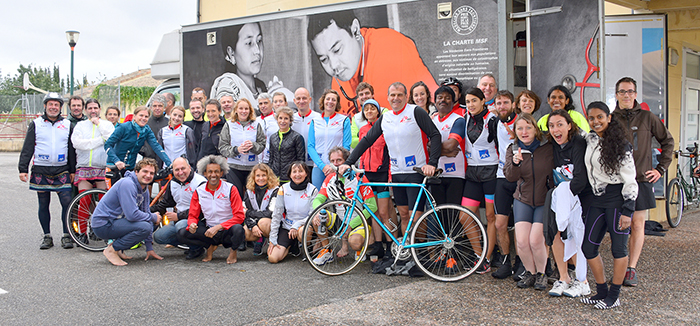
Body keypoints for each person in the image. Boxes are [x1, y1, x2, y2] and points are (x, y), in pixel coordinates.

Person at [340, 82, 441, 236]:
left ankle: (421, 254)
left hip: (416, 171)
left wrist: (432, 163)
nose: (396, 98)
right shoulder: (385, 117)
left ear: (406, 97)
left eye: (400, 95)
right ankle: (406, 252)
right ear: (387, 98)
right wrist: (348, 162)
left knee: (417, 217)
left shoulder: (416, 112)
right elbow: (367, 141)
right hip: (396, 173)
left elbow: (435, 135)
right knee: (404, 215)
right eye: (392, 95)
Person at [308, 12, 438, 115]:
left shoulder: (391, 46)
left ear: (355, 30)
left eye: (337, 50)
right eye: (324, 59)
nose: (334, 65)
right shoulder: (341, 74)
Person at [611, 77, 674, 287]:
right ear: (617, 94)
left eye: (630, 91)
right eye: (622, 92)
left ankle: (631, 269)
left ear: (635, 94)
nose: (626, 95)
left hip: (641, 180)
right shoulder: (610, 119)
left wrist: (660, 169)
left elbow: (668, 141)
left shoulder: (648, 117)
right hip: (616, 182)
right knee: (619, 225)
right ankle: (619, 265)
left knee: (638, 224)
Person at [580, 101, 637, 309]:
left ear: (609, 117)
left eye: (600, 117)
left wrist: (627, 210)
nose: (596, 121)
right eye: (591, 118)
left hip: (617, 200)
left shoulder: (622, 145)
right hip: (597, 199)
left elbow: (631, 179)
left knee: (619, 250)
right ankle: (601, 291)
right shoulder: (591, 139)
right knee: (588, 247)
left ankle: (614, 296)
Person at [443, 87, 499, 273]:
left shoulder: (493, 120)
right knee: (465, 216)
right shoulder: (463, 119)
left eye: (475, 100)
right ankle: (479, 255)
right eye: (468, 101)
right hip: (473, 174)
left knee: (491, 217)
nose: (471, 105)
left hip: (491, 173)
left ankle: (487, 259)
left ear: (483, 101)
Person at [18, 92, 77, 249]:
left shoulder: (67, 125)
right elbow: (28, 147)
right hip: (41, 170)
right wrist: (22, 168)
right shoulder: (36, 124)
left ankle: (66, 235)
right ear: (45, 106)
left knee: (66, 202)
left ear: (60, 107)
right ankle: (47, 236)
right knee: (43, 204)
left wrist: (72, 170)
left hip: (62, 169)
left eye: (56, 105)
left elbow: (71, 149)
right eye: (50, 104)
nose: (53, 107)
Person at [546, 109, 594, 297]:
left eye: (560, 124)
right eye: (551, 126)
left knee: (577, 236)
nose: (555, 129)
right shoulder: (552, 144)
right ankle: (564, 277)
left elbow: (581, 179)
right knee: (557, 232)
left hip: (581, 195)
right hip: (562, 194)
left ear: (569, 125)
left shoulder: (579, 143)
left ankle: (583, 281)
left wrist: (567, 195)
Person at [504, 113, 554, 290]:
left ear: (535, 129)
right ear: (515, 131)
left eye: (528, 127)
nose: (524, 132)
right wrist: (516, 163)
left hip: (543, 200)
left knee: (535, 240)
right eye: (520, 128)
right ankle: (530, 273)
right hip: (522, 199)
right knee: (522, 242)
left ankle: (542, 273)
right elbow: (510, 176)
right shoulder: (513, 148)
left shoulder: (548, 147)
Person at [91, 158, 164, 266]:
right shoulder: (127, 184)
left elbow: (145, 213)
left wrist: (149, 248)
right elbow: (132, 215)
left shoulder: (144, 189)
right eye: (145, 171)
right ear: (136, 172)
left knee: (148, 223)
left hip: (116, 221)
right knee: (144, 226)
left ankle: (119, 250)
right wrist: (153, 217)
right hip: (103, 224)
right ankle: (112, 250)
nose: (148, 175)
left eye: (151, 173)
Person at [310, 147, 376, 265]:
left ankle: (359, 249)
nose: (336, 164)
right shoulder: (330, 178)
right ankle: (326, 251)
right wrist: (317, 212)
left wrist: (351, 225)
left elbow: (372, 207)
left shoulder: (358, 177)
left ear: (347, 161)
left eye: (339, 160)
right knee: (319, 217)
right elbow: (319, 199)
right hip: (340, 221)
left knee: (355, 242)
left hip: (358, 223)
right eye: (332, 161)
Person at [178, 155, 246, 264]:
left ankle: (233, 251)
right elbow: (193, 215)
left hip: (227, 231)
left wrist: (219, 227)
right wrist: (192, 224)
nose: (213, 175)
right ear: (204, 173)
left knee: (239, 229)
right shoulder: (199, 191)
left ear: (222, 173)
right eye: (209, 172)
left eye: (216, 172)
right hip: (209, 232)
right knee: (182, 234)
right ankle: (209, 246)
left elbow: (239, 216)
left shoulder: (231, 189)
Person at [150, 157, 207, 259]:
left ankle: (197, 247)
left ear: (189, 167)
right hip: (180, 218)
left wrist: (179, 216)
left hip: (199, 220)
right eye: (177, 170)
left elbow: (204, 210)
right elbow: (166, 203)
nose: (180, 172)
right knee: (158, 237)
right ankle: (190, 243)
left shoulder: (200, 182)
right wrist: (147, 211)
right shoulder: (173, 182)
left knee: (180, 226)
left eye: (183, 168)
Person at [357, 99, 392, 258]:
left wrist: (390, 175)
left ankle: (391, 243)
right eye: (366, 109)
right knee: (374, 212)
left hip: (382, 174)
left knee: (385, 212)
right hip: (368, 175)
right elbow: (362, 151)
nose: (369, 111)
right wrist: (360, 171)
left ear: (378, 111)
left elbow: (390, 153)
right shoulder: (363, 129)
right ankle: (378, 245)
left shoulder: (385, 128)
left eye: (372, 109)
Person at [490, 90, 520, 279]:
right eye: (498, 103)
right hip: (501, 176)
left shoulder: (520, 122)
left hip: (519, 177)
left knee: (520, 223)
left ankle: (522, 262)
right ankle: (505, 260)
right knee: (500, 223)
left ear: (513, 104)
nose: (502, 107)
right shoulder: (495, 122)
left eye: (505, 103)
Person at [268, 162, 318, 263]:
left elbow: (312, 215)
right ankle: (292, 245)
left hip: (304, 226)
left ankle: (306, 248)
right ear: (290, 175)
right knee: (273, 258)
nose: (297, 174)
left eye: (300, 171)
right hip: (287, 227)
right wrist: (272, 238)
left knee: (302, 231)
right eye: (294, 171)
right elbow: (277, 214)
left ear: (306, 174)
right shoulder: (283, 189)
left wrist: (297, 224)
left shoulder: (313, 190)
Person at [211, 22, 267, 109]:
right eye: (249, 43)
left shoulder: (261, 88)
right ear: (231, 53)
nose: (257, 51)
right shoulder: (227, 87)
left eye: (259, 41)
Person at [105, 106, 172, 178]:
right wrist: (116, 161)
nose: (143, 118)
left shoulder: (147, 130)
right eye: (141, 115)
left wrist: (169, 163)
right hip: (115, 166)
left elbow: (156, 146)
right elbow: (108, 145)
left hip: (130, 167)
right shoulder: (124, 127)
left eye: (146, 116)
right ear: (134, 116)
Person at [219, 98, 266, 198]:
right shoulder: (229, 125)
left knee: (252, 197)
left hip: (252, 168)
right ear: (235, 110)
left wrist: (253, 146)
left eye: (246, 109)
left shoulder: (256, 124)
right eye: (241, 108)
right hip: (234, 167)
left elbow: (262, 145)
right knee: (236, 197)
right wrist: (237, 150)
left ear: (250, 110)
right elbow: (222, 147)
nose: (243, 111)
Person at [308, 89, 352, 189]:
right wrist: (322, 166)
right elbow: (310, 146)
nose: (330, 102)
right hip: (319, 167)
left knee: (338, 199)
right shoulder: (315, 121)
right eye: (328, 99)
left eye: (334, 100)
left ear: (337, 103)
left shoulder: (344, 120)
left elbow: (346, 146)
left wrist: (336, 165)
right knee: (319, 200)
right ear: (323, 101)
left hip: (337, 167)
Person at [72, 98, 114, 192]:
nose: (93, 110)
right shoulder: (80, 125)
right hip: (84, 167)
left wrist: (98, 124)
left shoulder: (107, 125)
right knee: (85, 202)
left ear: (100, 109)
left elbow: (111, 138)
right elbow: (77, 143)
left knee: (103, 200)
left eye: (95, 108)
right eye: (90, 108)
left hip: (102, 167)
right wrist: (101, 140)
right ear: (85, 110)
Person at [432, 86, 464, 206]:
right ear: (435, 102)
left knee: (452, 214)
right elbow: (425, 146)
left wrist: (434, 150)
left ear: (453, 101)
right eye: (439, 97)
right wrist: (444, 152)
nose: (443, 100)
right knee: (439, 214)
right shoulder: (432, 120)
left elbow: (451, 145)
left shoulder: (458, 120)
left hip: (455, 174)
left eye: (447, 98)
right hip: (436, 173)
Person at [242, 163, 279, 256]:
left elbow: (271, 213)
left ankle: (273, 243)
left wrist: (250, 213)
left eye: (264, 175)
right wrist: (253, 226)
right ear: (253, 177)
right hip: (256, 221)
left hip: (273, 223)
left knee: (263, 222)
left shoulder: (275, 190)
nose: (261, 178)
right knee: (244, 231)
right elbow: (243, 212)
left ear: (269, 176)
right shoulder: (249, 191)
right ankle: (260, 239)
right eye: (257, 175)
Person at [268, 106, 306, 182]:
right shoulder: (272, 137)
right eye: (280, 118)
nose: (283, 121)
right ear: (277, 119)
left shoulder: (297, 137)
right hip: (275, 178)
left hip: (290, 178)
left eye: (286, 118)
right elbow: (271, 158)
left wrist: (296, 175)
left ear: (290, 121)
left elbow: (300, 160)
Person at [291, 87, 322, 169]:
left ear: (310, 99)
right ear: (294, 101)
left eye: (304, 98)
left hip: (315, 163)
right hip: (296, 163)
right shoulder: (291, 119)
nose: (301, 101)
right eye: (298, 98)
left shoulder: (318, 118)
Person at [350, 82, 383, 148]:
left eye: (367, 93)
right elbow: (353, 142)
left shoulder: (384, 111)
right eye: (361, 94)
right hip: (365, 156)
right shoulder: (356, 118)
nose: (364, 96)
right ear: (358, 98)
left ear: (372, 95)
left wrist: (361, 136)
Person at [141, 94, 170, 166]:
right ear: (150, 107)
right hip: (148, 161)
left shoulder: (169, 123)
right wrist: (145, 151)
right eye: (154, 106)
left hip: (165, 161)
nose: (157, 108)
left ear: (165, 107)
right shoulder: (145, 123)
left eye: (160, 106)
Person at [257, 92, 279, 163]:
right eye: (260, 104)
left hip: (274, 161)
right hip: (258, 161)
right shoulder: (255, 121)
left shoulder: (278, 119)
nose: (263, 106)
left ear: (272, 104)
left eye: (266, 103)